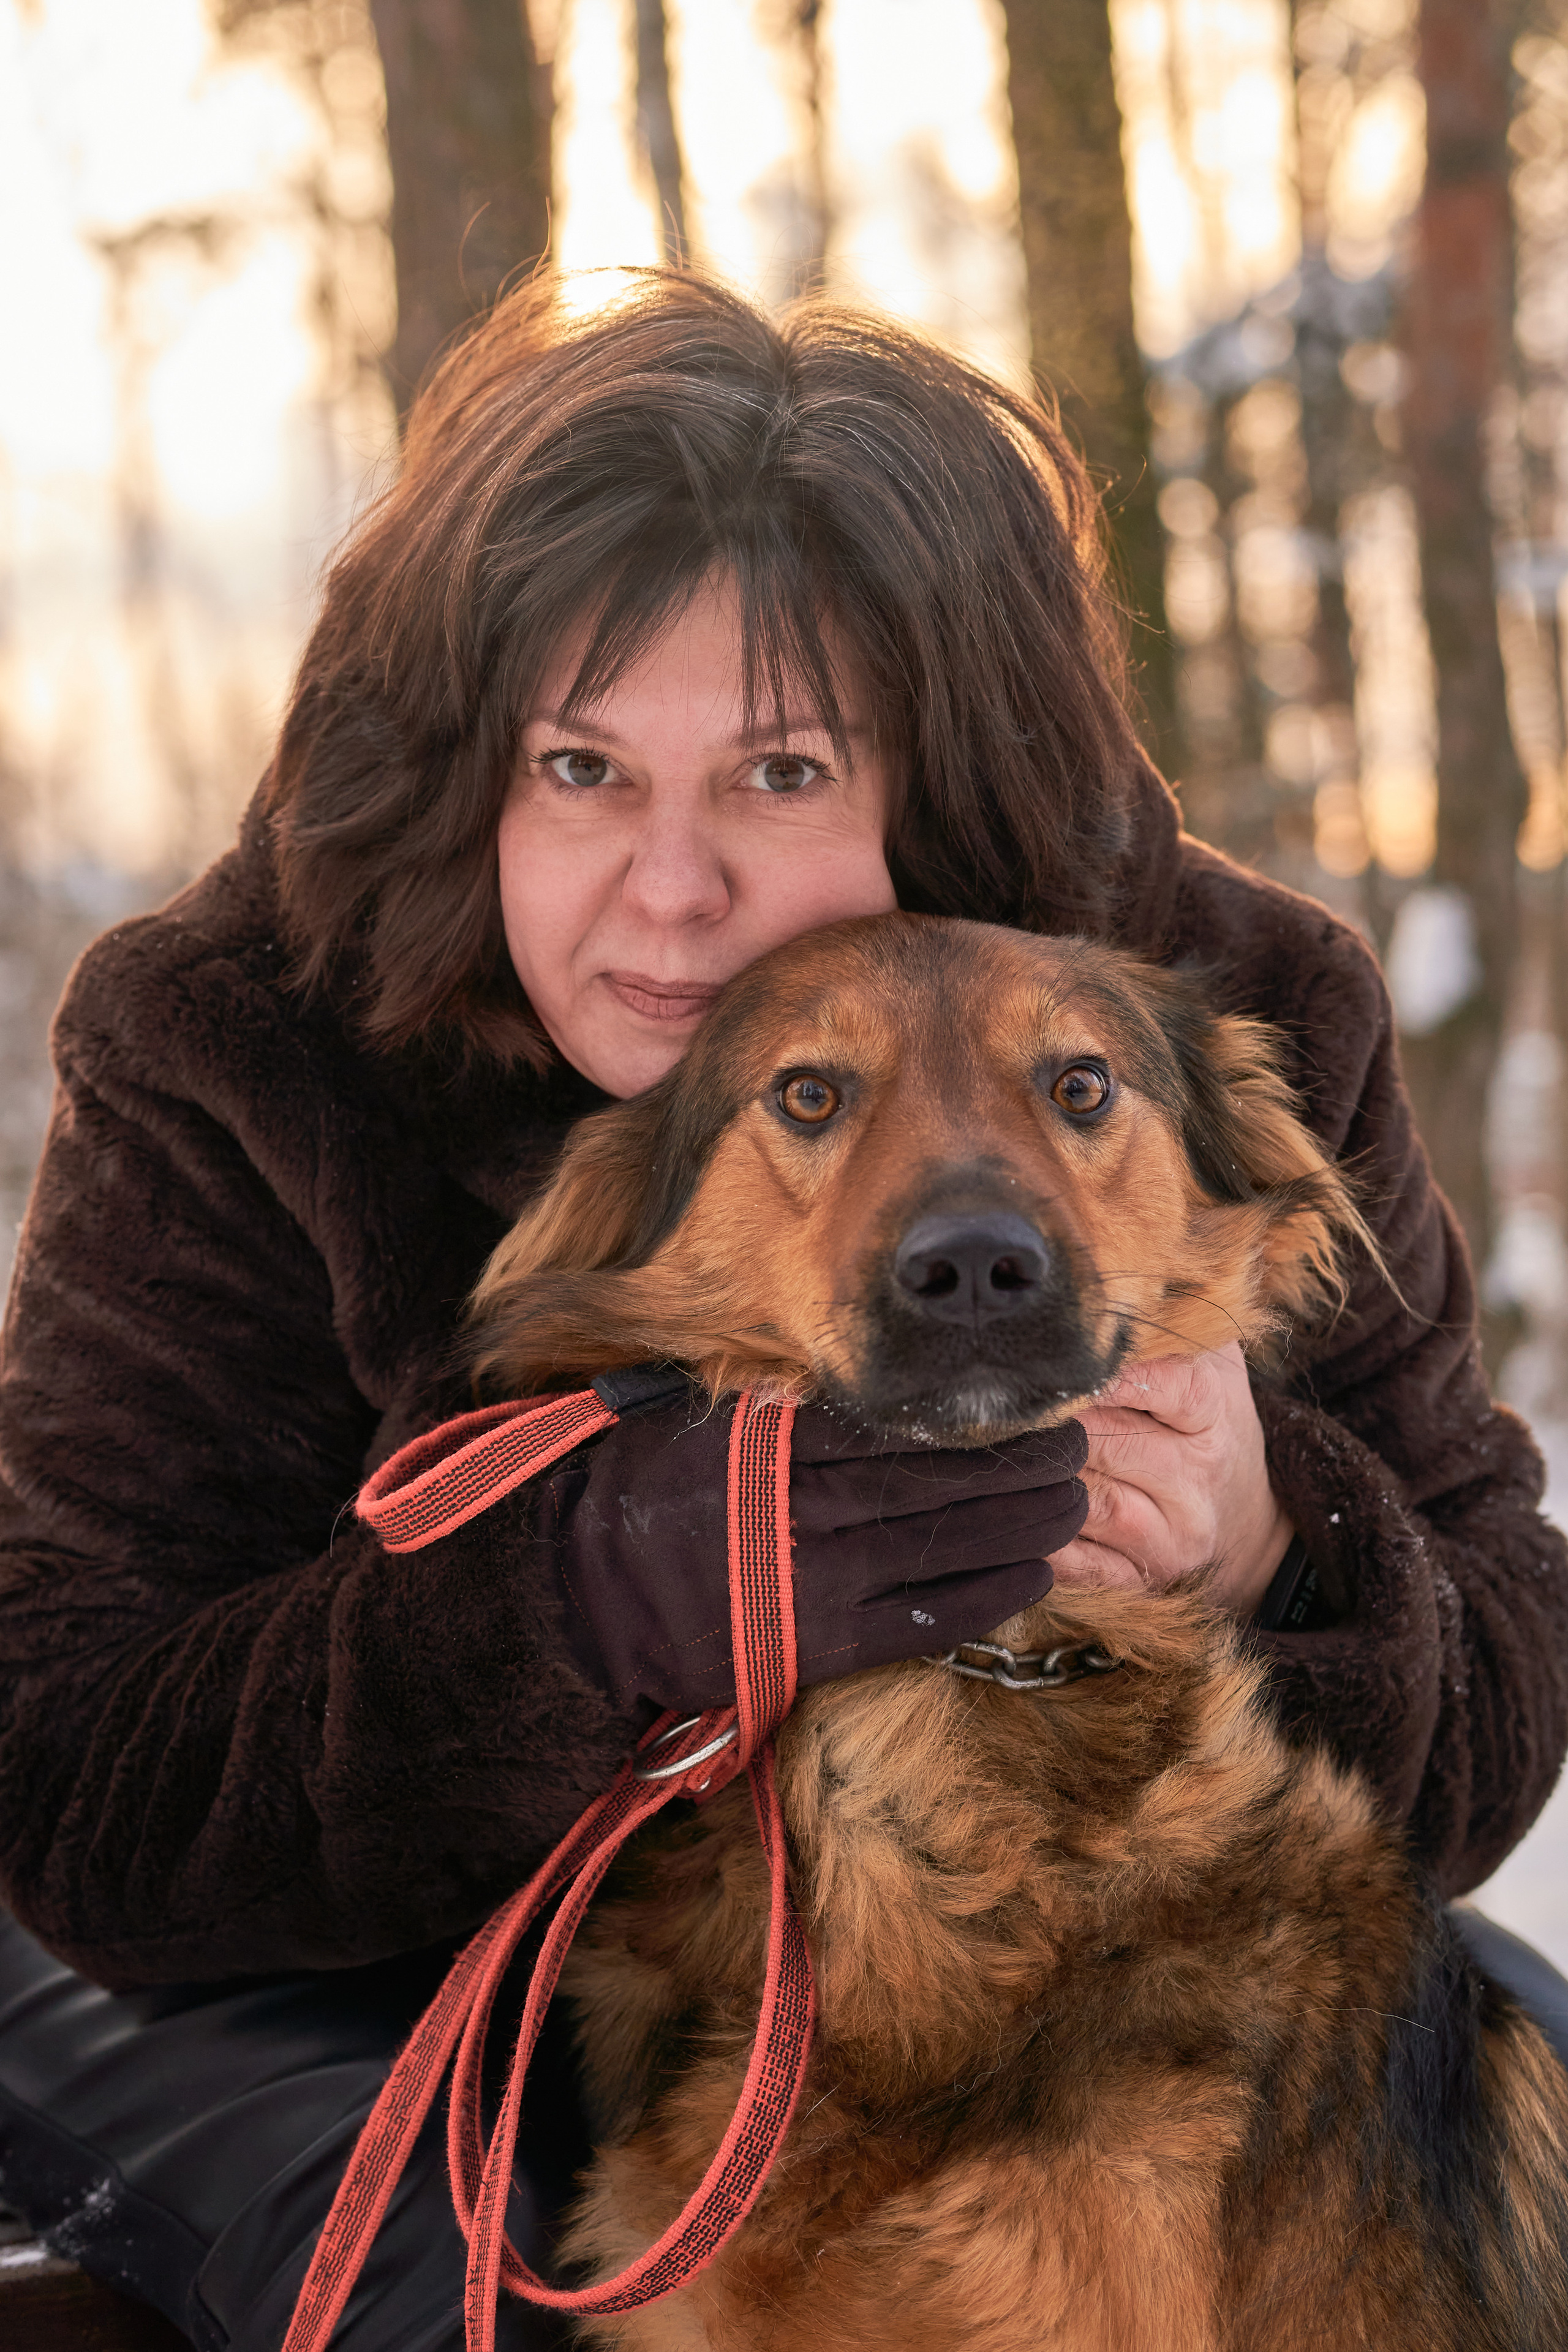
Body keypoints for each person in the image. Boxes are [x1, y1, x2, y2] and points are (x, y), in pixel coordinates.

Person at [0, 270, 1563, 2351]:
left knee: (1482, 2105)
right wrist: (575, 1606)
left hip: (951, 1940)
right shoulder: (239, 1043)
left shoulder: (1220, 1009)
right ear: (468, 776)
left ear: (934, 777)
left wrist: (1285, 1537)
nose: (671, 890)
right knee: (458, 2282)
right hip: (271, 1953)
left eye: (780, 770)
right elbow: (71, 1778)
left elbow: (1496, 1684)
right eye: (580, 768)